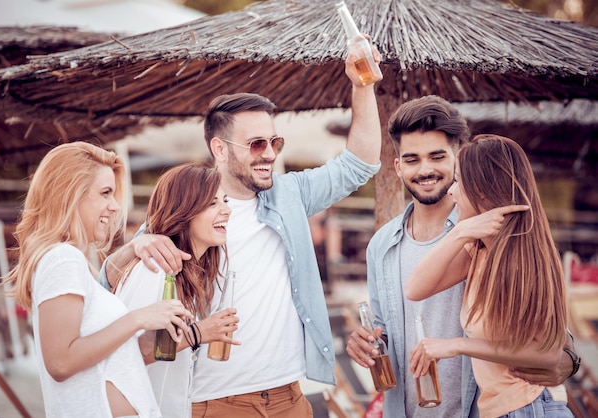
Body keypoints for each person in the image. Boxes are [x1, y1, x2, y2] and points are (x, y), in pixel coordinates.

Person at [101, 46, 383, 418]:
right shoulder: (184, 216)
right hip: (215, 402)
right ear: (219, 148)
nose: (269, 153)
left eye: (274, 142)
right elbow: (108, 287)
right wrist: (136, 248)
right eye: (256, 144)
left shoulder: (289, 195)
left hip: (290, 395)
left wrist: (361, 85)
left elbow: (359, 164)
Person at [346, 96, 576, 418]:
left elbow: (545, 328)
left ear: (459, 158)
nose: (425, 169)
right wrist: (363, 343)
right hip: (410, 409)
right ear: (398, 167)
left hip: (483, 409)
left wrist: (568, 358)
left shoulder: (493, 232)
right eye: (412, 159)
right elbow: (384, 326)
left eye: (437, 156)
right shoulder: (381, 246)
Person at [4, 142, 192, 418]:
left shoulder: (72, 262)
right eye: (105, 193)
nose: (115, 207)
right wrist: (139, 318)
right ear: (71, 195)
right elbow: (60, 362)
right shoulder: (62, 259)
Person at [405, 134, 574, 418]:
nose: (451, 192)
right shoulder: (479, 250)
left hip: (528, 407)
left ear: (481, 191)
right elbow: (414, 288)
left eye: (459, 182)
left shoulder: (523, 258)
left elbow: (547, 354)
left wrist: (457, 345)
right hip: (502, 411)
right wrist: (460, 232)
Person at [114, 163, 239, 418]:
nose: (227, 210)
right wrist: (198, 334)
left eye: (224, 201)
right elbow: (121, 355)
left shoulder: (189, 274)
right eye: (213, 203)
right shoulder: (154, 270)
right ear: (185, 211)